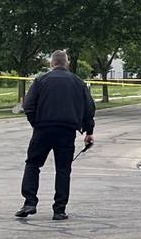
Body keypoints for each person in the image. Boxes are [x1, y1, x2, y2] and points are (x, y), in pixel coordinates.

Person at [15, 50, 96, 220]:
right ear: (66, 63)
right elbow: (89, 109)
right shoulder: (78, 83)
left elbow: (28, 106)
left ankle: (29, 202)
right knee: (63, 169)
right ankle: (59, 209)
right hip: (67, 131)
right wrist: (89, 132)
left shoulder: (40, 81)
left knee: (33, 164)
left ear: (51, 64)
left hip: (43, 129)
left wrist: (36, 124)